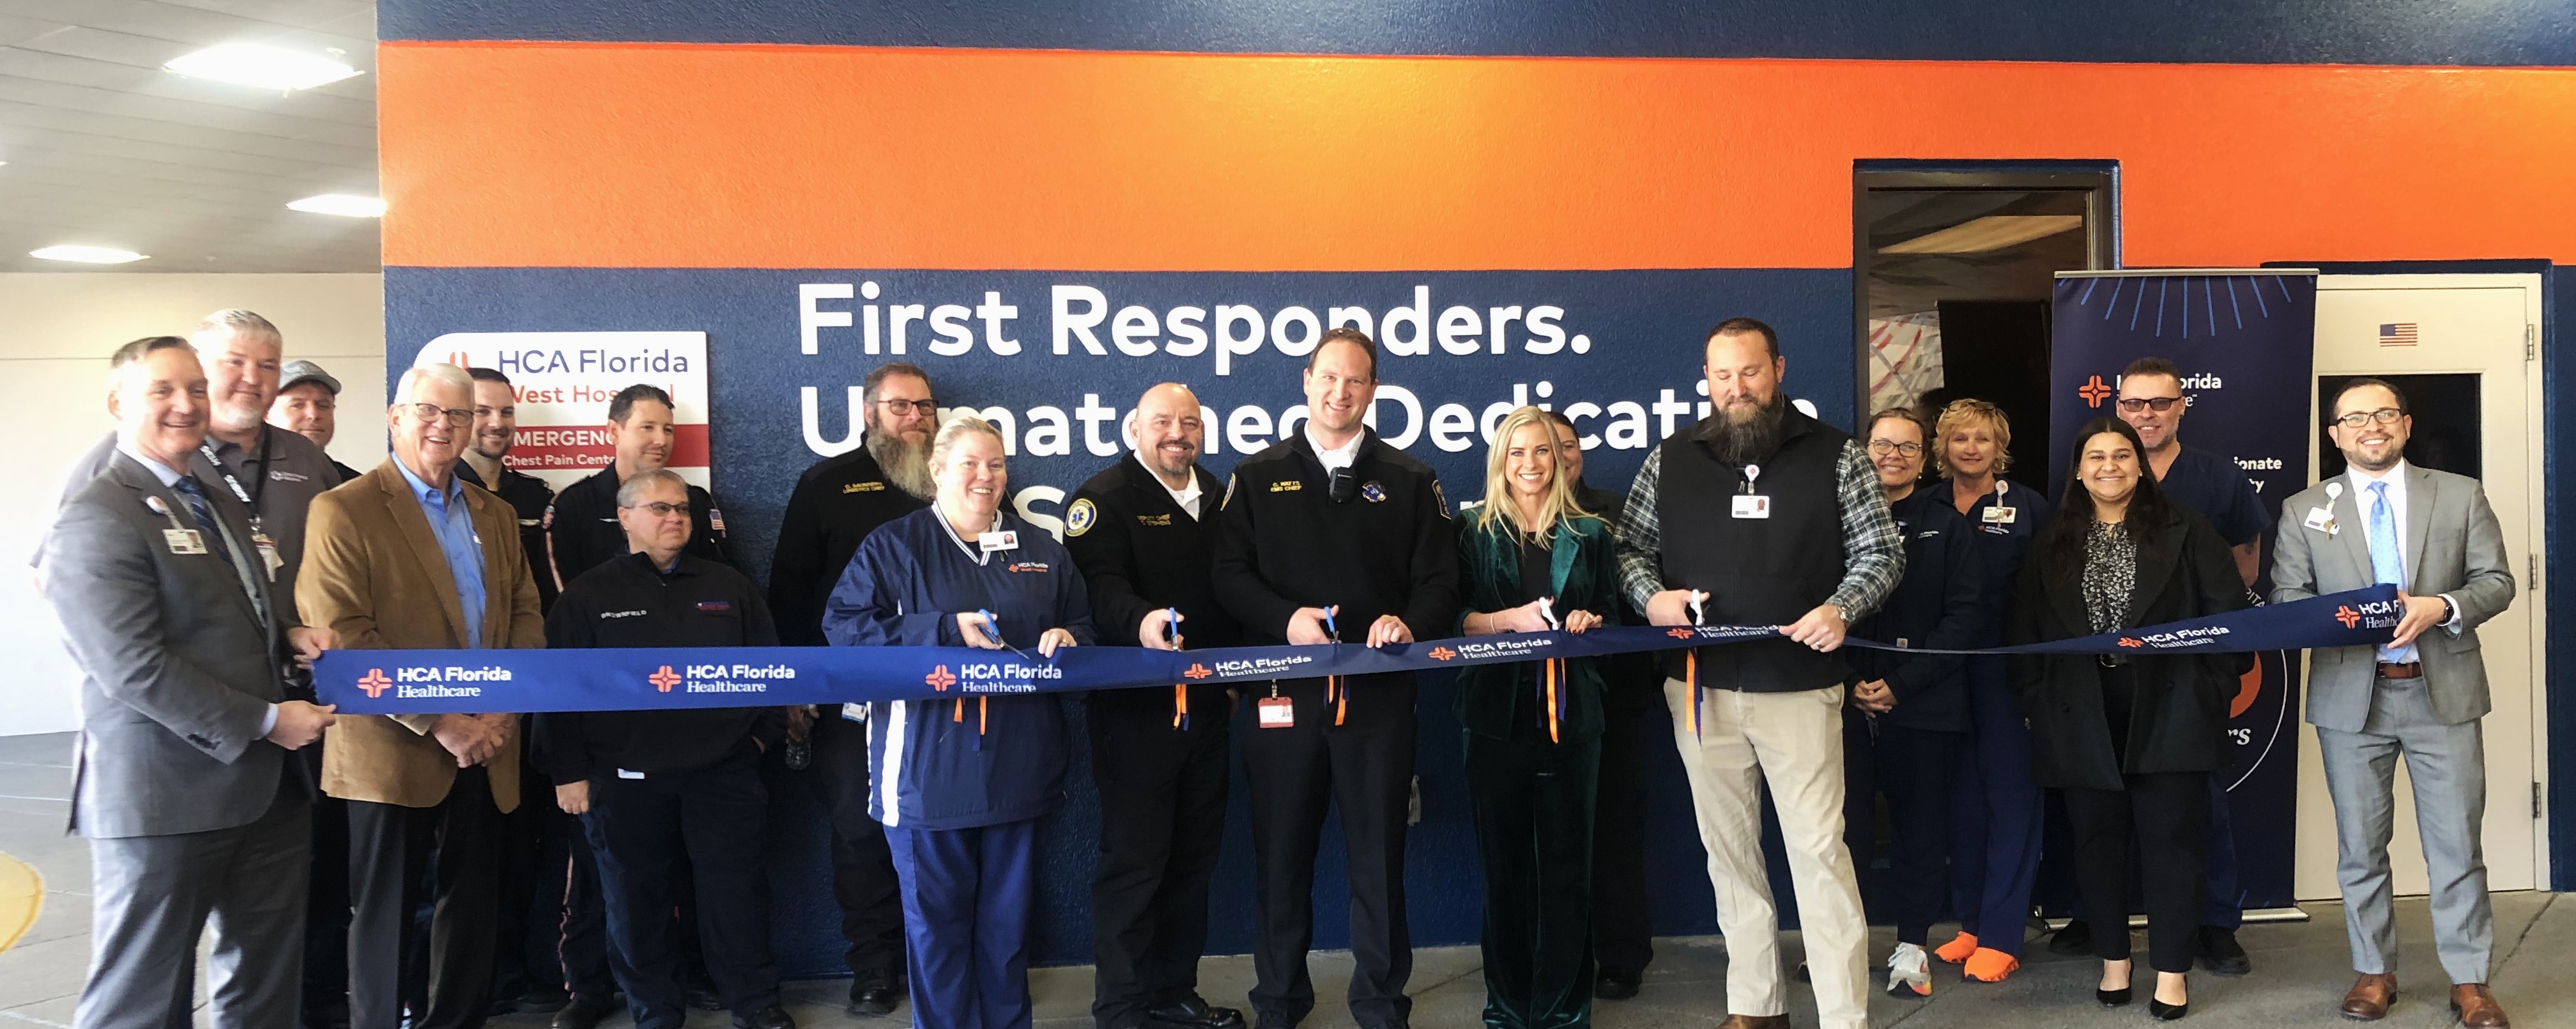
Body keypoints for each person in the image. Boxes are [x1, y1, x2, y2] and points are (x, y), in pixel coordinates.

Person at [40, 336, 337, 1028]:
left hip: (265, 792)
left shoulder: (215, 499)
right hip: (164, 795)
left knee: (264, 986)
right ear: (119, 403)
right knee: (140, 996)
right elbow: (131, 666)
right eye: (163, 391)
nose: (186, 406)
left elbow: (239, 607)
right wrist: (268, 719)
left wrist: (290, 632)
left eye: (196, 390)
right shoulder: (96, 515)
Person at [1613, 317, 1900, 1029]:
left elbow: (1882, 553)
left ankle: (1843, 1016)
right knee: (1729, 854)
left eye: (1750, 371)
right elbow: (1628, 551)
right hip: (1700, 690)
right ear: (1706, 380)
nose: (1736, 388)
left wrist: (1842, 606)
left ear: (1778, 369)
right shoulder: (1670, 458)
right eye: (1722, 375)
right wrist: (1653, 597)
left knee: (1819, 854)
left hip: (1800, 690)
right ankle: (1757, 1005)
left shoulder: (1836, 454)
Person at [1213, 327, 1460, 1029]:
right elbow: (1229, 575)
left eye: (1354, 381)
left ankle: (1382, 1003)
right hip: (1282, 697)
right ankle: (1279, 1001)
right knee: (1280, 857)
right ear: (1306, 379)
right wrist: (1284, 618)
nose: (1339, 391)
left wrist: (1410, 623)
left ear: (1372, 390)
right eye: (1328, 377)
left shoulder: (1412, 478)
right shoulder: (1257, 476)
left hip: (1379, 700)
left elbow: (1442, 580)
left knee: (1379, 862)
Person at [823, 415, 1094, 1029]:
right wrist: (942, 629)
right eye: (969, 463)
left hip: (1018, 771)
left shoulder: (1041, 550)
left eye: (995, 464)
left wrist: (1069, 636)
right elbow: (844, 630)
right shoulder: (893, 547)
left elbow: (1085, 625)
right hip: (927, 779)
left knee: (1006, 936)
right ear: (937, 471)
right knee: (938, 934)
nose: (985, 476)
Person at [299, 362, 548, 1029]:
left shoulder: (493, 513)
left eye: (459, 415)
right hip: (390, 746)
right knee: (382, 917)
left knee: (471, 912)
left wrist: (500, 709)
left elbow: (526, 611)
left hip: (489, 740)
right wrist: (442, 719)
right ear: (396, 416)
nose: (445, 425)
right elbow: (344, 632)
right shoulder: (341, 508)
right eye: (430, 411)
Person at [2269, 379, 2516, 1027]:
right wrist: (2346, 617)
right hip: (2353, 701)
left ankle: (2470, 981)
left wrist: (2444, 605)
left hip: (2444, 695)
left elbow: (2497, 581)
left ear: (2405, 425)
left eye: (2383, 414)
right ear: (2335, 434)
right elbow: (2287, 599)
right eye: (2354, 417)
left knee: (2457, 844)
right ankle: (2374, 970)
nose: (2370, 426)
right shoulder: (2303, 508)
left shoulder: (2459, 493)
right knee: (2361, 845)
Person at [2006, 417, 2249, 1022]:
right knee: (2097, 846)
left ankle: (2171, 972)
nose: (2109, 465)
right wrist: (2037, 703)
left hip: (2172, 709)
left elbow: (2230, 624)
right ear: (2080, 471)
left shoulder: (2187, 530)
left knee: (2173, 846)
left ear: (2141, 465)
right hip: (2079, 713)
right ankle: (2115, 961)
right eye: (2096, 457)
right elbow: (2024, 632)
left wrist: (2208, 693)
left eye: (2122, 455)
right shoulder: (2052, 541)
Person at [537, 468, 797, 1029]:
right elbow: (557, 689)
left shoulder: (729, 587)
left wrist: (759, 739)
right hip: (623, 778)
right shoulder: (588, 594)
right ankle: (655, 1010)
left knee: (736, 893)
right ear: (625, 517)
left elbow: (775, 671)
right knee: (635, 902)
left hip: (722, 773)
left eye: (682, 508)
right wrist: (570, 773)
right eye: (659, 508)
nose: (675, 518)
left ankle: (753, 1002)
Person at [2066, 356, 2267, 975]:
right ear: (2117, 410)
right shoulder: (2088, 480)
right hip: (2102, 690)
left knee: (2197, 809)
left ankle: (2214, 923)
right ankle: (2101, 919)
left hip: (2182, 687)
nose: (2146, 414)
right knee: (2103, 810)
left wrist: (2211, 669)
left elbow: (2245, 567)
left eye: (2159, 402)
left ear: (2183, 405)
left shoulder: (2216, 476)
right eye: (2134, 404)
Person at [1063, 384, 1246, 1029]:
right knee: (1135, 864)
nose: (1178, 432)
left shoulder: (1220, 496)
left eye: (1190, 422)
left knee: (1193, 859)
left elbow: (1237, 588)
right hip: (1136, 716)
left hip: (1208, 711)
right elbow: (1100, 588)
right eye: (1164, 421)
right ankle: (1120, 1007)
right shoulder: (1101, 498)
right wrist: (1141, 621)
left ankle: (1173, 990)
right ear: (1133, 427)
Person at [768, 362, 935, 1017]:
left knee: (936, 831)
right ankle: (874, 965)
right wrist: (798, 689)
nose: (916, 418)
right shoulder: (826, 484)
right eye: (901, 407)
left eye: (925, 406)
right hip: (846, 699)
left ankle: (935, 961)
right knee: (859, 831)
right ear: (870, 413)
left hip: (936, 694)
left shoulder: (954, 480)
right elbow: (789, 592)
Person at [1452, 406, 1620, 1029]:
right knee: (1505, 869)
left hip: (1574, 721)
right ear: (1501, 460)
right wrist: (1507, 620)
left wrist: (1590, 621)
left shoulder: (1593, 533)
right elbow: (1453, 619)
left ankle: (1563, 1009)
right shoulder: (1471, 530)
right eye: (1517, 451)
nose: (1530, 463)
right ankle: (1508, 1006)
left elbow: (1610, 610)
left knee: (1567, 870)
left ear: (1560, 457)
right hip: (1494, 717)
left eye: (1542, 450)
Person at [450, 366, 598, 1019]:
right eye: (483, 411)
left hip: (526, 696)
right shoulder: (429, 489)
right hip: (448, 705)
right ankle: (452, 984)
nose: (497, 423)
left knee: (526, 843)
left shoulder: (535, 496)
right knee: (455, 857)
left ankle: (515, 972)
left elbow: (542, 601)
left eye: (506, 412)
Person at [1838, 408, 1984, 999]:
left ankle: (1912, 946)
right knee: (1837, 833)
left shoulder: (1949, 526)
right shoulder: (1832, 522)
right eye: (1881, 445)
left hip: (1925, 704)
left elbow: (1966, 618)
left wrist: (1902, 684)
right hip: (1843, 701)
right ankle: (1839, 948)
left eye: (1908, 447)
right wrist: (1850, 680)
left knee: (1919, 831)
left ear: (1925, 459)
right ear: (1862, 452)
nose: (1893, 456)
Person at [1921, 399, 2051, 984]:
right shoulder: (1925, 505)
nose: (1970, 449)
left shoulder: (2028, 508)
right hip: (1943, 674)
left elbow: (2050, 593)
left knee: (2010, 800)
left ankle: (2003, 935)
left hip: (2008, 672)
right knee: (1962, 804)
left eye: (1982, 440)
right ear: (1942, 447)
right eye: (1959, 439)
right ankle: (1971, 924)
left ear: (2000, 448)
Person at [1542, 410, 1662, 1001]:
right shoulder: (1502, 522)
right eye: (1542, 446)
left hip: (1618, 696)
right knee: (1553, 831)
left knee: (1615, 827)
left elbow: (1649, 596)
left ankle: (1620, 957)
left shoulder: (1615, 512)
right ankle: (1561, 954)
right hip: (1537, 704)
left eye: (1566, 446)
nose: (1555, 458)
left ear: (1580, 453)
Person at [546, 384, 732, 589]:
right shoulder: (573, 505)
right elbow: (561, 597)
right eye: (648, 427)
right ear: (614, 432)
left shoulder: (696, 501)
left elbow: (721, 582)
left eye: (668, 430)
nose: (661, 440)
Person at [272, 359, 361, 483]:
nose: (314, 414)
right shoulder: (245, 480)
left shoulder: (356, 487)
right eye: (298, 405)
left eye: (323, 406)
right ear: (266, 412)